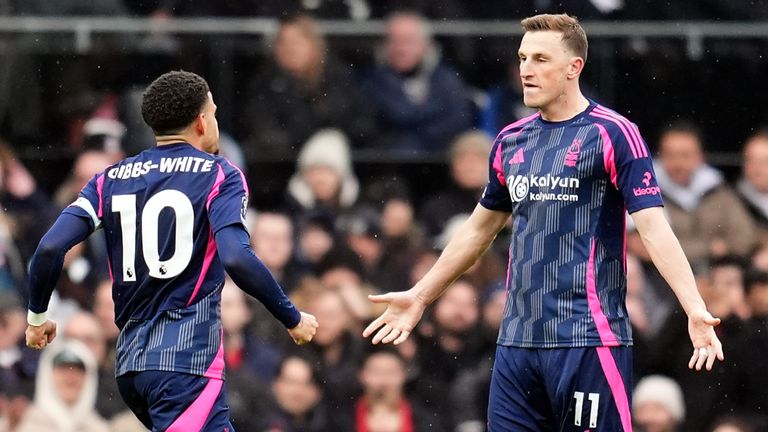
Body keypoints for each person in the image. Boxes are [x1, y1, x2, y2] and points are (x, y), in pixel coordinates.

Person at [363, 14, 723, 432]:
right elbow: (480, 229)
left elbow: (654, 228)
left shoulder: (613, 133)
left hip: (588, 339)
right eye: (522, 58)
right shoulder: (510, 140)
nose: (526, 69)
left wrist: (694, 307)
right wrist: (422, 295)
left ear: (574, 68)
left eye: (540, 58)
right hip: (516, 345)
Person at [23, 71, 318, 431]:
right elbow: (238, 257)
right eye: (214, 113)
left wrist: (37, 318)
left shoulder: (110, 179)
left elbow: (50, 248)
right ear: (201, 121)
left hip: (131, 368)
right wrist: (292, 317)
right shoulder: (220, 175)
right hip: (185, 364)